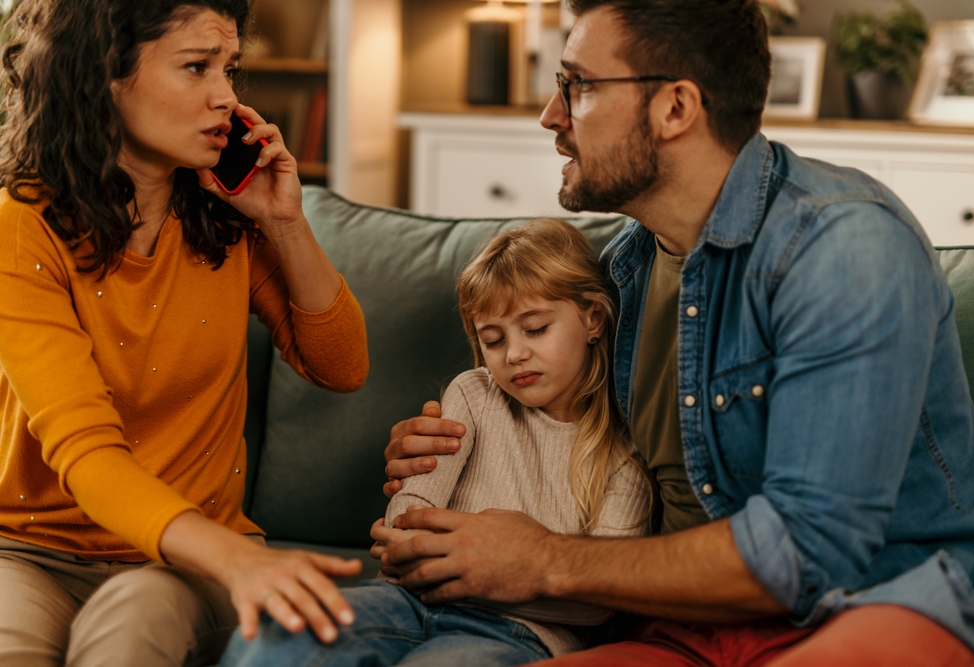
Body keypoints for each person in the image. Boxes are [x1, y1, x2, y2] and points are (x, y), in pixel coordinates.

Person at [380, 1, 974, 665]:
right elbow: (556, 417)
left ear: (675, 107)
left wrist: (544, 560)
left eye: (578, 86)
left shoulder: (845, 244)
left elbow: (805, 551)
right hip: (689, 623)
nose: (552, 117)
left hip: (880, 599)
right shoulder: (623, 272)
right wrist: (449, 441)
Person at [0, 1, 370, 665]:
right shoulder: (21, 226)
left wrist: (283, 221)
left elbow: (340, 366)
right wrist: (238, 560)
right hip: (30, 551)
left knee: (134, 621)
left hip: (186, 567)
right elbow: (86, 452)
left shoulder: (224, 217)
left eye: (230, 68)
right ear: (104, 75)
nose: (226, 96)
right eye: (197, 67)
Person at [221, 218, 652, 667]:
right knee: (280, 636)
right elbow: (406, 521)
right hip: (407, 602)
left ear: (593, 319)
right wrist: (412, 549)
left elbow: (596, 602)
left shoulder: (625, 453)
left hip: (521, 634)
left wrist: (470, 576)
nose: (515, 353)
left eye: (536, 328)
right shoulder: (474, 395)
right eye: (493, 339)